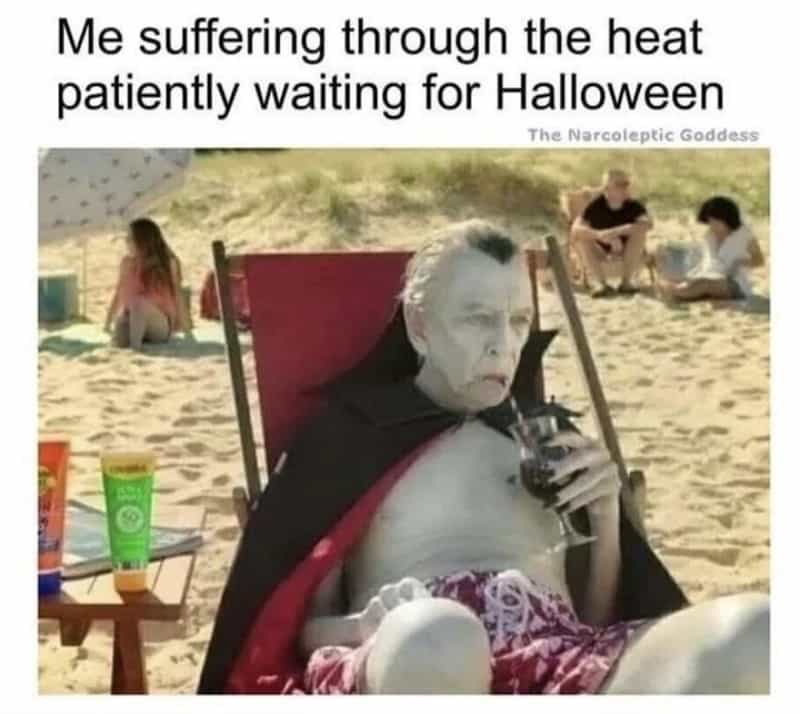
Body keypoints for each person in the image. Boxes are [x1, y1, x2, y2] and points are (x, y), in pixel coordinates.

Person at [198, 220, 768, 695]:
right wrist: (362, 625)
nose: (505, 345)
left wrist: (605, 519)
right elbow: (302, 628)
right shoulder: (355, 436)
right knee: (442, 637)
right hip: (412, 652)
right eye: (478, 319)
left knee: (759, 631)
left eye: (518, 321)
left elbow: (595, 623)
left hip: (557, 657)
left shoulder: (545, 438)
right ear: (419, 326)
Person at [657, 196, 764, 302]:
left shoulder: (744, 234)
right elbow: (706, 261)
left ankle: (675, 292)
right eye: (710, 222)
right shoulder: (709, 235)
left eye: (715, 222)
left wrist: (740, 262)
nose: (712, 225)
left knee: (705, 284)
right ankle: (676, 291)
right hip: (711, 275)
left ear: (726, 219)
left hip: (736, 283)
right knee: (692, 280)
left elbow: (760, 261)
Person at [103, 218, 189, 349]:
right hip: (132, 317)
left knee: (139, 303)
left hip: (158, 324)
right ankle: (130, 345)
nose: (126, 242)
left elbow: (178, 294)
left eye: (130, 239)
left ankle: (135, 348)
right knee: (121, 327)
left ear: (142, 241)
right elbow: (119, 292)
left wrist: (186, 328)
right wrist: (107, 323)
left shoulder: (167, 262)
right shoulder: (127, 263)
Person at [571, 169, 653, 298]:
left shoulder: (633, 205)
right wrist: (600, 235)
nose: (625, 188)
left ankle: (626, 283)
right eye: (620, 184)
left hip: (627, 251)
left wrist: (616, 232)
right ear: (607, 188)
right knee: (583, 239)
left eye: (626, 184)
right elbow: (575, 229)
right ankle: (602, 284)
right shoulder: (595, 206)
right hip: (602, 251)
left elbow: (648, 224)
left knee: (639, 233)